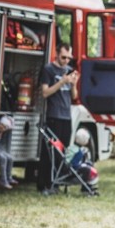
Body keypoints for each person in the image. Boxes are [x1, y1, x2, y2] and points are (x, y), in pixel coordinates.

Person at [38, 43, 79, 195]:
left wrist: (73, 84)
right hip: (53, 115)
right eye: (63, 57)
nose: (66, 61)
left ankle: (57, 182)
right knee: (50, 152)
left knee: (63, 152)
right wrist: (61, 82)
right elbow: (45, 93)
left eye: (69, 58)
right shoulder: (49, 69)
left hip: (66, 116)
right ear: (56, 53)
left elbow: (74, 96)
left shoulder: (69, 71)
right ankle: (44, 184)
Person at [0, 114, 18, 190]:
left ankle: (9, 177)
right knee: (3, 158)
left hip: (0, 148)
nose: (4, 129)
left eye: (5, 128)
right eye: (3, 126)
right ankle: (3, 180)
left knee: (10, 158)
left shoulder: (2, 132)